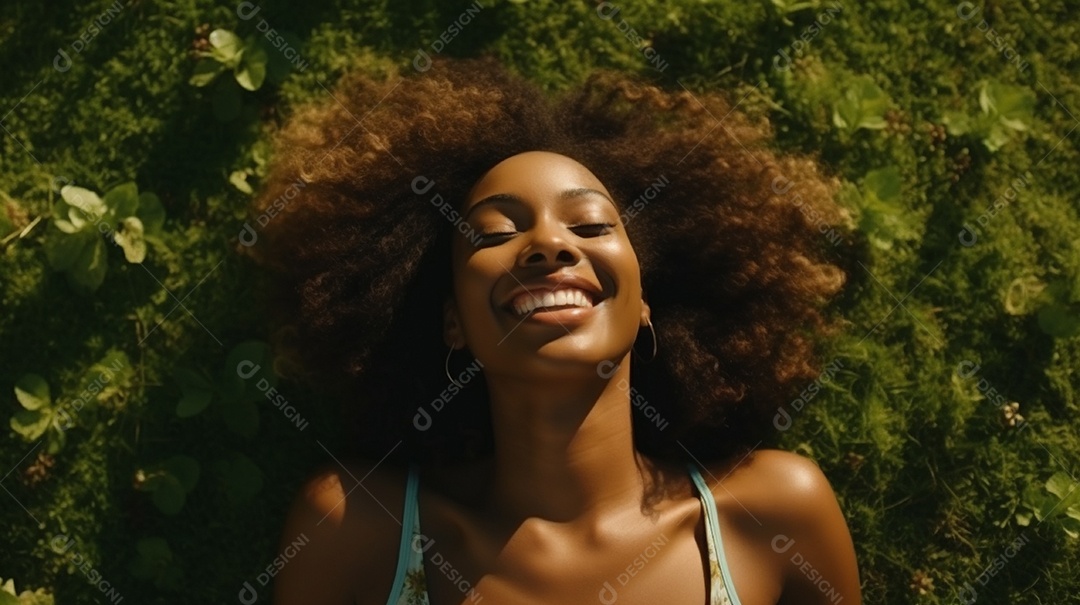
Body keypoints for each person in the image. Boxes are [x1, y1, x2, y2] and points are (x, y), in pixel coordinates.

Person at [243, 56, 861, 604]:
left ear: (645, 304)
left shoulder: (772, 514)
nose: (548, 244)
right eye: (495, 232)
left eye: (590, 226)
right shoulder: (357, 526)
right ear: (453, 322)